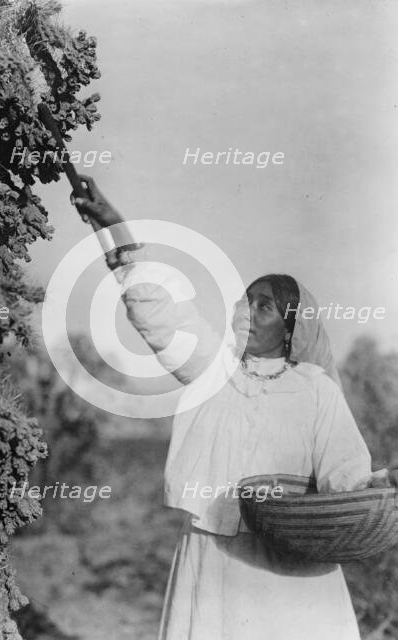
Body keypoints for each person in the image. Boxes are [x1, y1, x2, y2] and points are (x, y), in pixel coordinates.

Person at [71, 176, 392, 640]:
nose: (246, 310)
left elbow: (347, 476)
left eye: (264, 306)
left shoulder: (316, 389)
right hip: (217, 552)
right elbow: (156, 309)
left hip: (293, 558)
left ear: (289, 328)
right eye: (246, 300)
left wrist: (383, 486)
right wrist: (113, 223)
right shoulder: (211, 367)